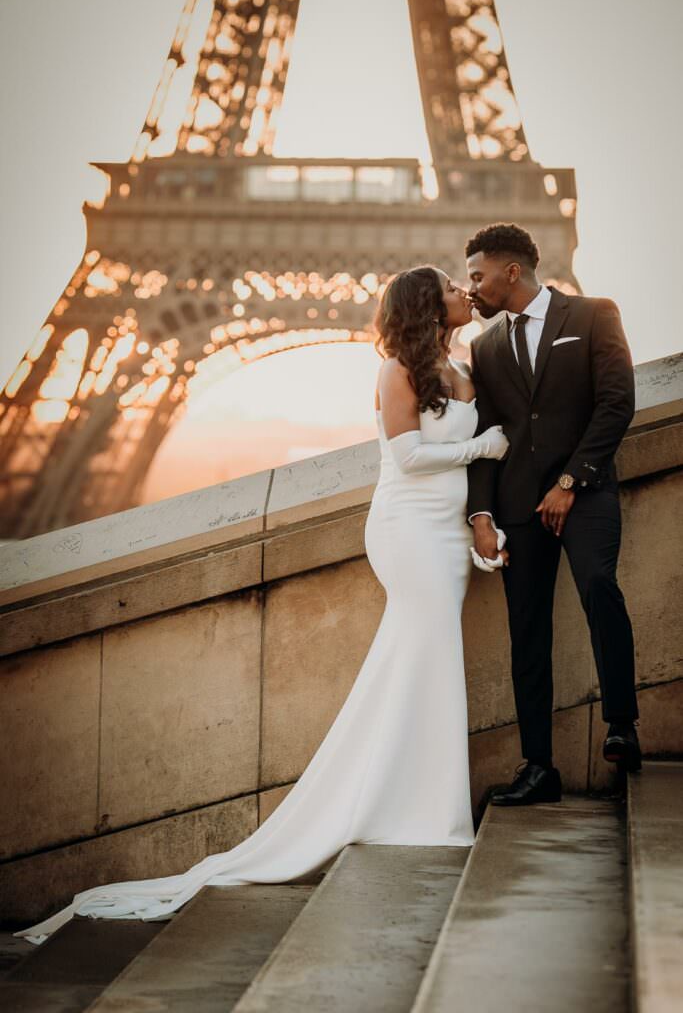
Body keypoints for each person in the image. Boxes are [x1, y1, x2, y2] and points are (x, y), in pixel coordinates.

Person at [16, 266, 508, 944]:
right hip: (406, 530)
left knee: (422, 665)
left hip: (445, 537)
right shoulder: (395, 370)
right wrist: (481, 443)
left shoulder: (462, 363)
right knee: (425, 659)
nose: (463, 290)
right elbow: (406, 457)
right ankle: (421, 812)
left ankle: (417, 804)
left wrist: (483, 519)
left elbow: (468, 463)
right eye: (452, 286)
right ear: (428, 306)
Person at [465, 222, 640, 807]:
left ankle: (621, 723)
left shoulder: (592, 314)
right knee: (527, 631)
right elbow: (489, 435)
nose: (471, 288)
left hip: (584, 492)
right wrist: (481, 514)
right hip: (516, 505)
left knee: (598, 586)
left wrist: (570, 481)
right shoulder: (484, 346)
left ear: (511, 271)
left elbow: (617, 402)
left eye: (477, 275)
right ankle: (539, 765)